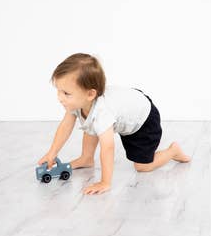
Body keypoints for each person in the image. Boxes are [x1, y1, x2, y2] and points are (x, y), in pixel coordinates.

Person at [37, 53, 190, 195]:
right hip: (128, 104)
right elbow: (65, 127)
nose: (60, 98)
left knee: (142, 166)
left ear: (90, 94)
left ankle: (172, 151)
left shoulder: (103, 112)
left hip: (143, 119)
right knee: (90, 123)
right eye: (58, 91)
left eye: (66, 93)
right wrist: (52, 153)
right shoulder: (78, 103)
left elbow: (108, 147)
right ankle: (86, 158)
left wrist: (105, 182)